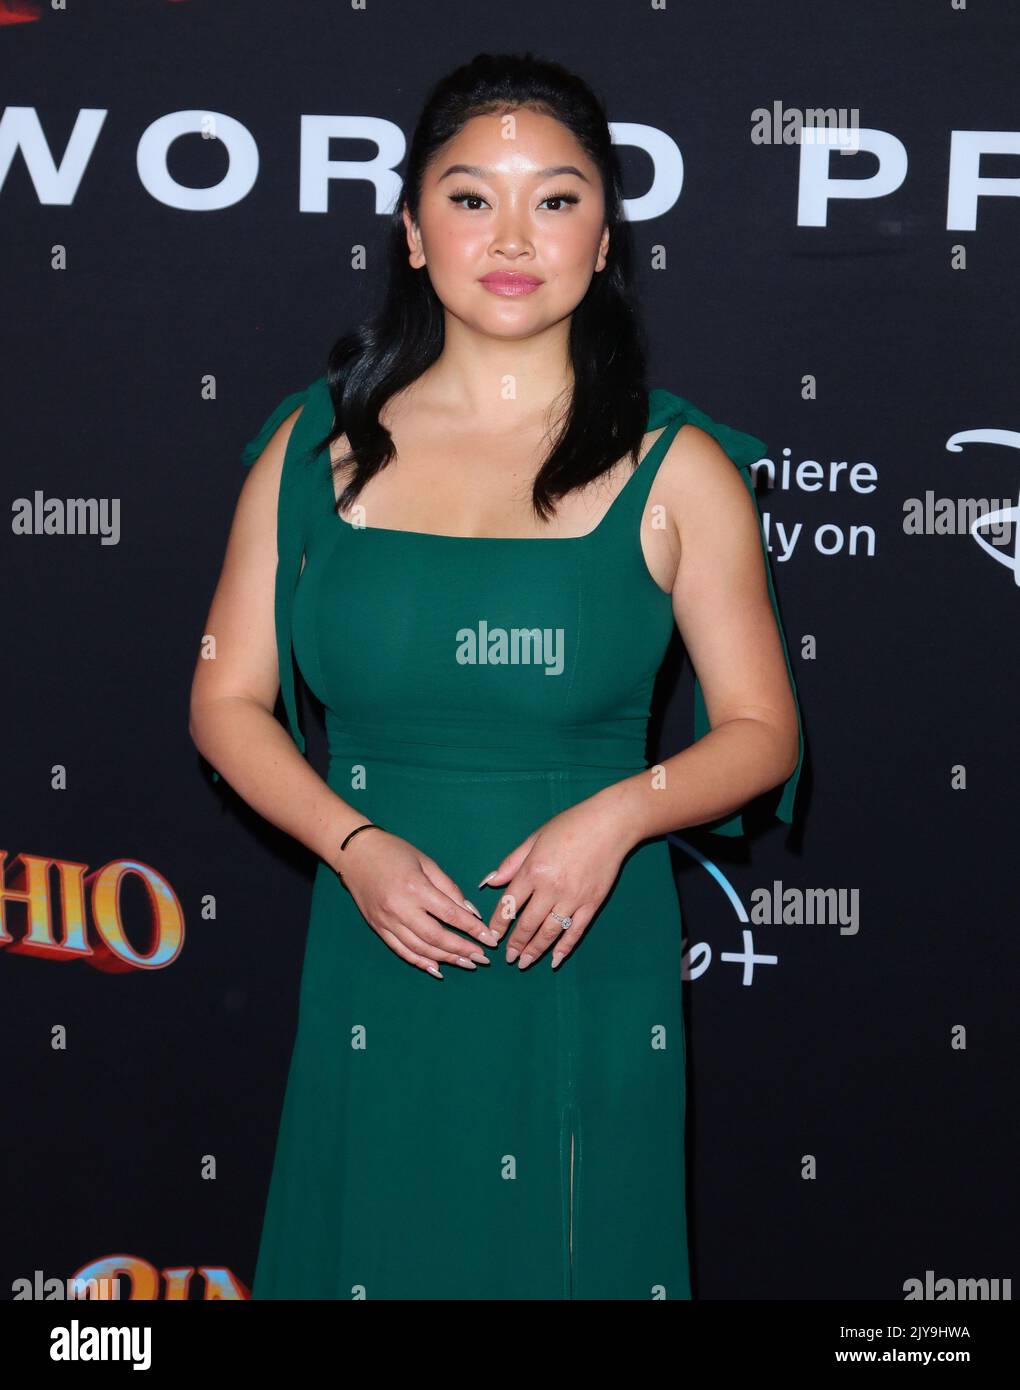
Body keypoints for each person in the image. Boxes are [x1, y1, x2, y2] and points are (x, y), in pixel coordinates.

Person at [189, 51, 804, 1300]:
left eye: (557, 197)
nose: (513, 235)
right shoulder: (312, 446)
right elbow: (224, 697)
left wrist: (620, 812)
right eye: (472, 198)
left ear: (605, 237)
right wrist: (353, 846)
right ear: (413, 234)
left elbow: (759, 730)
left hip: (580, 949)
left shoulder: (675, 465)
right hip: (377, 947)